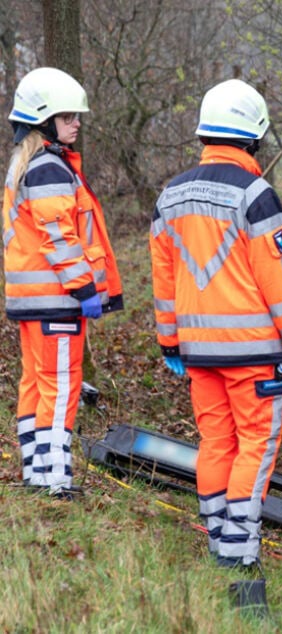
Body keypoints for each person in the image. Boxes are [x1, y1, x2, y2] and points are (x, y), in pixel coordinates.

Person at [150, 79, 282, 590]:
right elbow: (280, 283)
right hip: (254, 353)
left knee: (215, 444)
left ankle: (219, 543)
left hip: (198, 353)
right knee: (257, 446)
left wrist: (169, 340)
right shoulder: (255, 195)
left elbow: (163, 277)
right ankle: (239, 555)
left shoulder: (170, 194)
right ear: (254, 137)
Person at [3, 67, 123, 498]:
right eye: (68, 116)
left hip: (31, 301)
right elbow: (60, 238)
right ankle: (56, 481)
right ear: (43, 119)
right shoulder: (50, 168)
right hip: (57, 301)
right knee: (60, 387)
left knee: (35, 384)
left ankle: (37, 474)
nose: (76, 123)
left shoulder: (26, 164)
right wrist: (84, 288)